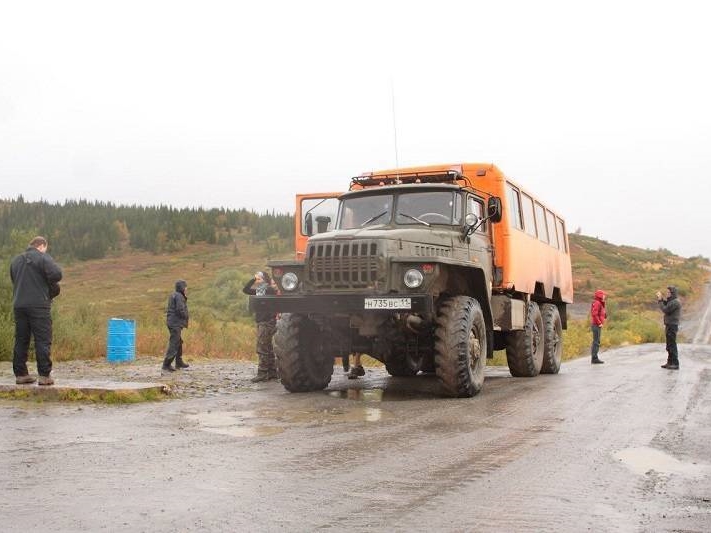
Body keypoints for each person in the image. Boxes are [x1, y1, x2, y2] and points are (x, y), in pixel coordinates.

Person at [10, 236, 63, 386]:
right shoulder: (42, 257)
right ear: (42, 246)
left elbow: (15, 280)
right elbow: (57, 274)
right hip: (39, 305)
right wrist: (48, 287)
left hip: (19, 305)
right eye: (45, 248)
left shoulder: (15, 261)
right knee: (43, 339)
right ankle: (44, 376)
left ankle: (21, 374)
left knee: (21, 339)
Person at [243, 271, 278, 382]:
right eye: (256, 279)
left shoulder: (269, 290)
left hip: (267, 322)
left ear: (264, 279)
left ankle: (262, 373)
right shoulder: (259, 291)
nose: (257, 281)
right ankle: (273, 372)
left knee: (262, 348)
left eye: (259, 279)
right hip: (263, 321)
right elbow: (245, 290)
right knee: (268, 347)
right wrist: (253, 279)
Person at [162, 279, 190, 372]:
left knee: (178, 342)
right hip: (175, 323)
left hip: (173, 322)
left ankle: (179, 362)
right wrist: (186, 316)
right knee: (174, 343)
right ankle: (166, 364)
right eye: (185, 288)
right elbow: (179, 309)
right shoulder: (179, 296)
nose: (186, 289)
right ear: (182, 288)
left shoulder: (174, 295)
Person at [657, 286, 681, 370]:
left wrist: (660, 300)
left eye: (668, 292)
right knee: (669, 344)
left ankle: (675, 363)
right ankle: (670, 362)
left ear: (672, 293)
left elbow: (665, 309)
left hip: (672, 325)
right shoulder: (672, 301)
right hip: (669, 324)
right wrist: (661, 299)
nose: (667, 294)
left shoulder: (675, 302)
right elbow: (666, 304)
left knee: (672, 344)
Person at [590, 289, 606, 364]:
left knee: (597, 341)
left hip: (597, 325)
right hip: (596, 325)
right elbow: (594, 314)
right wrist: (599, 323)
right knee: (596, 342)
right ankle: (594, 358)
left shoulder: (599, 303)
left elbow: (600, 313)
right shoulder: (597, 303)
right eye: (603, 295)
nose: (604, 296)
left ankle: (594, 357)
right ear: (600, 296)